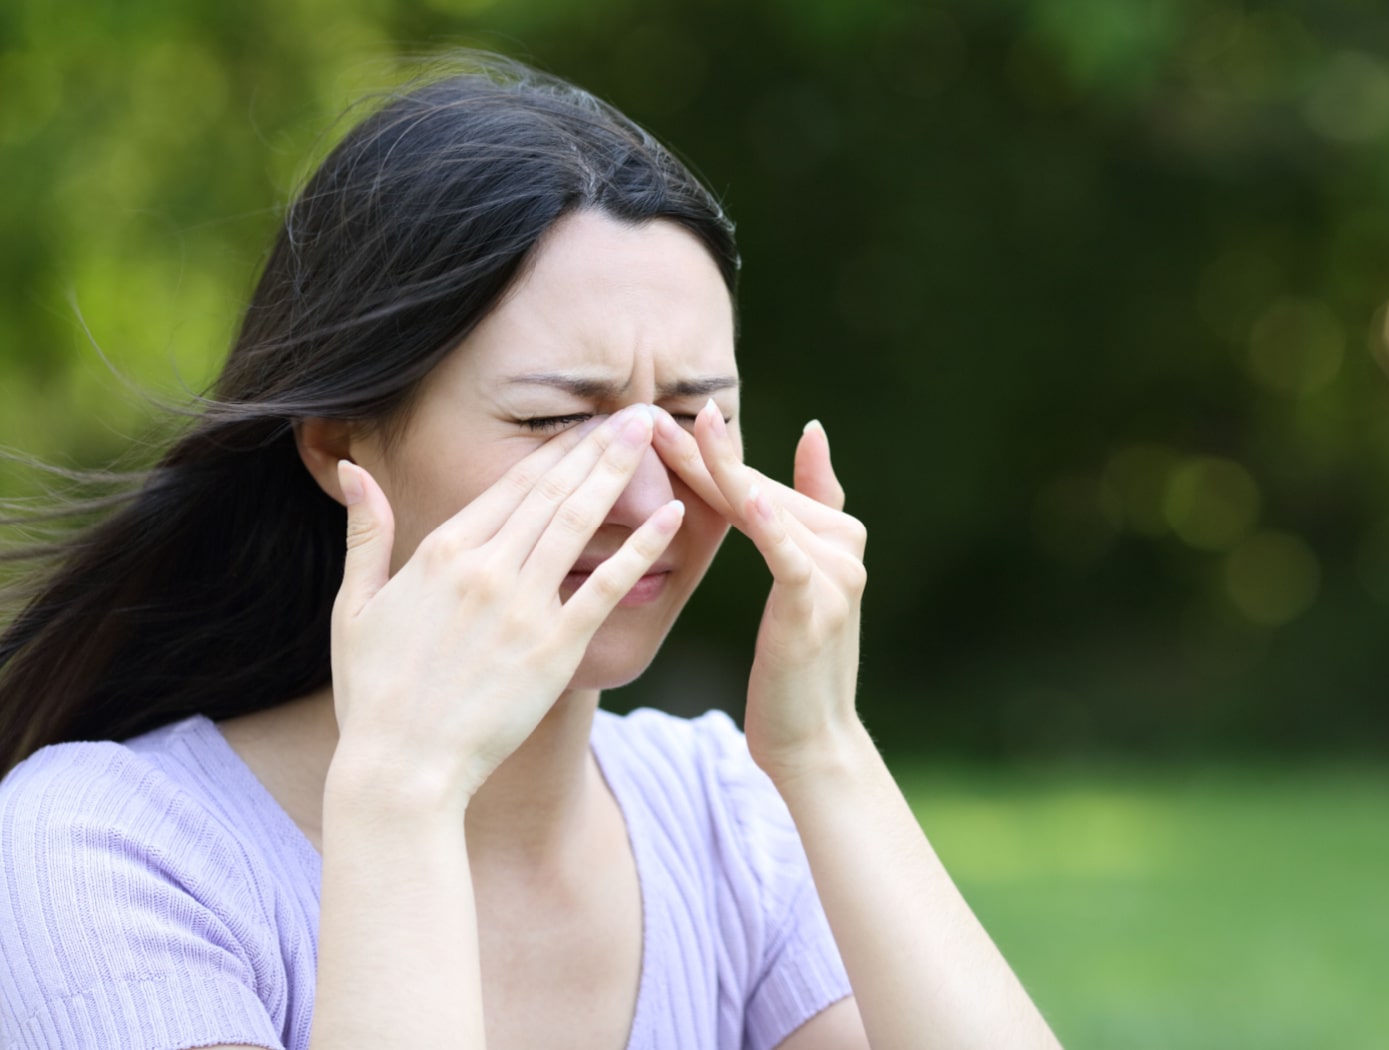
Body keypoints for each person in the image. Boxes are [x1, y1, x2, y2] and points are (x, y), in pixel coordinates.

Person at [0, 53, 1060, 1050]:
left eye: (695, 415)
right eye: (557, 421)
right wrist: (401, 793)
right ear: (338, 445)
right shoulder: (101, 850)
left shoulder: (723, 821)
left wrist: (824, 753)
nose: (647, 495)